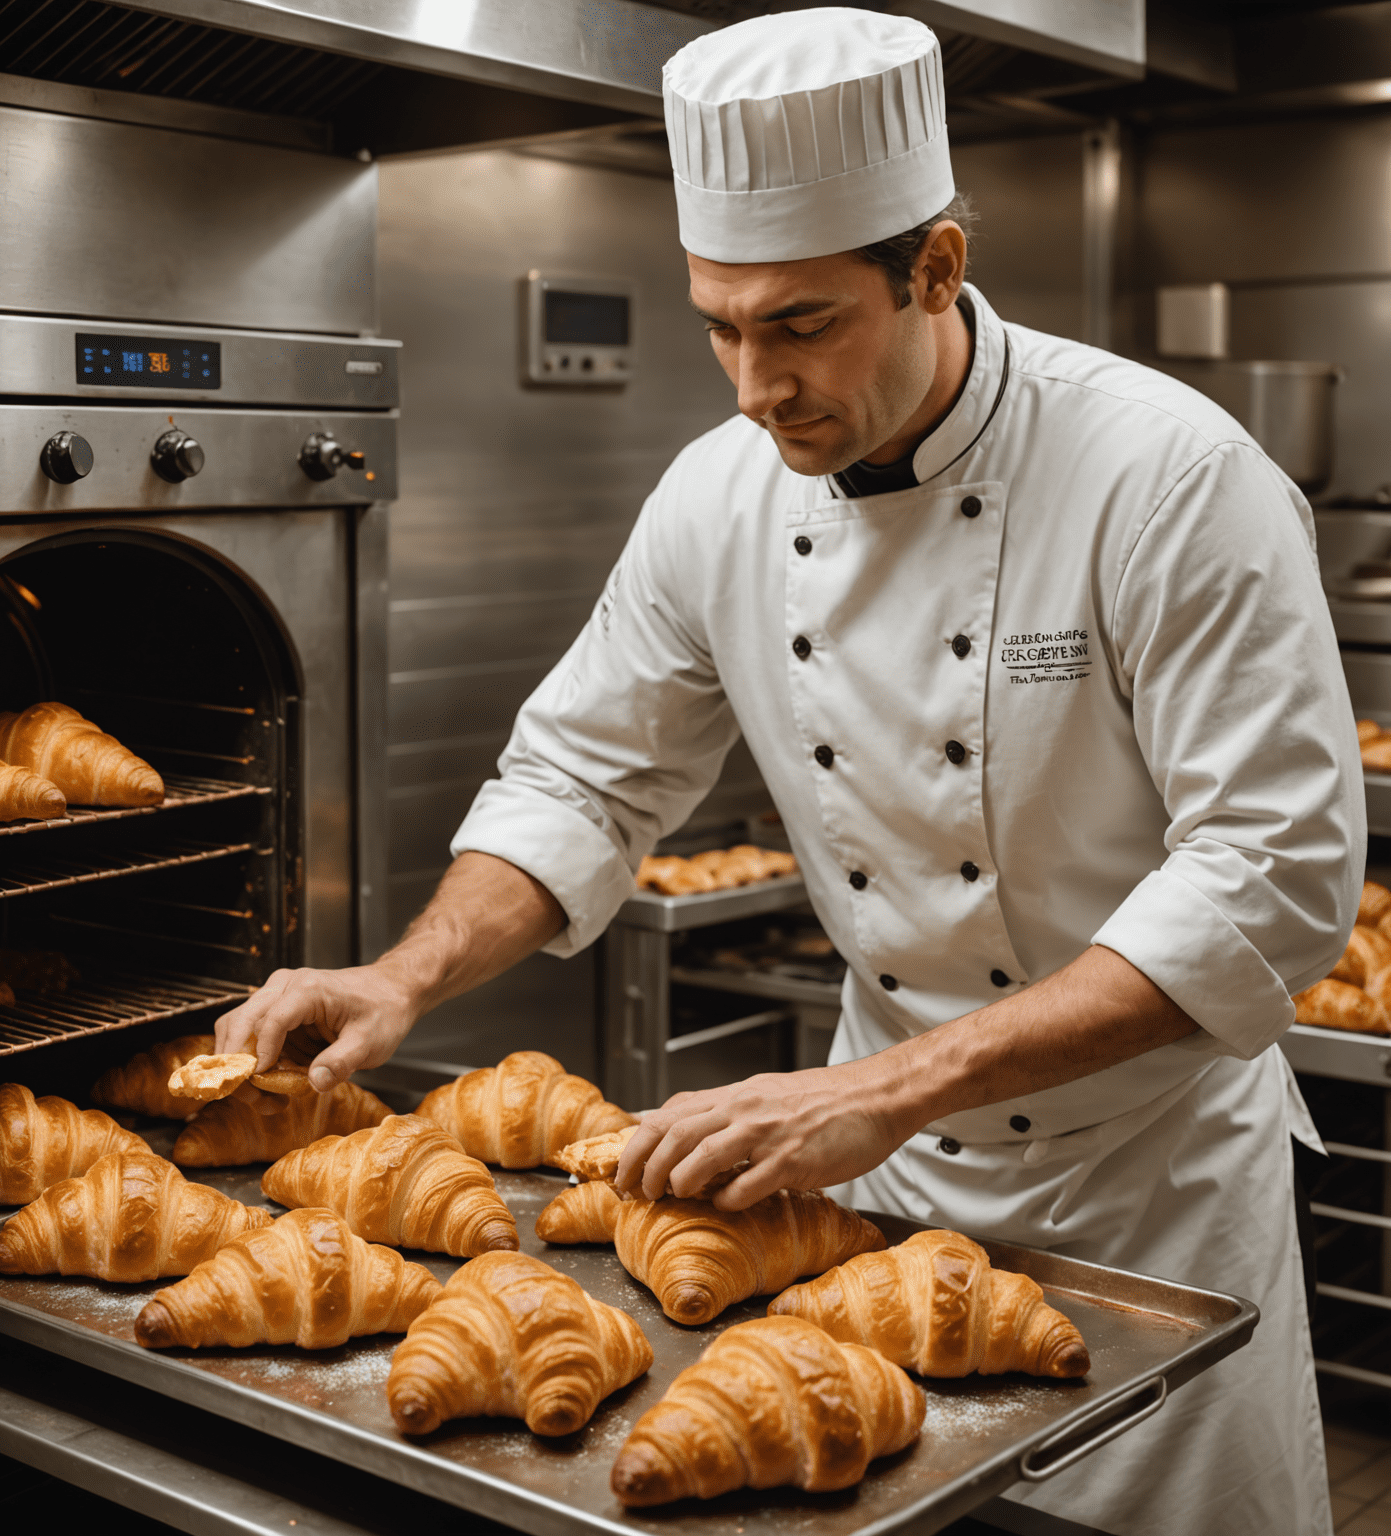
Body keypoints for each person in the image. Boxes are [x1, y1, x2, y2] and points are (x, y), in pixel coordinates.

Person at [216, 9, 1358, 1533]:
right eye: (719, 326)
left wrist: (883, 1089)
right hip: (871, 1170)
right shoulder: (721, 495)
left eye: (803, 325)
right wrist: (405, 979)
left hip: (1148, 1185)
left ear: (937, 269)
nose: (752, 386)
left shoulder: (1171, 480)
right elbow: (585, 775)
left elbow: (1269, 885)